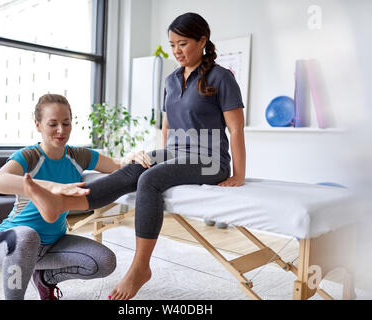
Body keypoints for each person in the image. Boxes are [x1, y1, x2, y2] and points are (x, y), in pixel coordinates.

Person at [20, 12, 246, 300]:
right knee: (135, 168)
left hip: (211, 159)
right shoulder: (172, 79)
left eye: (183, 43)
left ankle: (140, 267)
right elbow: (167, 126)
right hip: (176, 152)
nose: (176, 50)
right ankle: (62, 202)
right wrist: (158, 154)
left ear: (202, 41)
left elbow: (236, 130)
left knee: (150, 179)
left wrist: (237, 175)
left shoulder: (221, 77)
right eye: (172, 44)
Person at [0, 93, 151, 300]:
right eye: (52, 124)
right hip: (9, 244)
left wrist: (132, 157)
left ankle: (45, 278)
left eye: (66, 123)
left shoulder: (77, 156)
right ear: (38, 125)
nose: (61, 130)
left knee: (105, 261)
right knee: (28, 236)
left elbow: (117, 165)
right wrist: (52, 187)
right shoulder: (29, 156)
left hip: (52, 244)